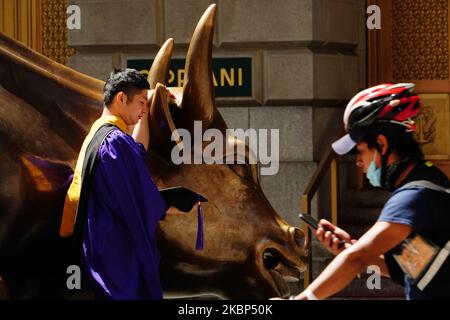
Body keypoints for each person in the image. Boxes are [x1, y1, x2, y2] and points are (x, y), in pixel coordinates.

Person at [288, 83, 450, 300]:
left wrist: (304, 298)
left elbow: (358, 259)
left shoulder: (413, 196)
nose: (358, 163)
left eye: (361, 151)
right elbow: (416, 270)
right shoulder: (428, 183)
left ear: (381, 145)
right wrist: (348, 249)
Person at [59, 68, 194, 299]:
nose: (144, 109)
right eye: (141, 102)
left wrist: (151, 103)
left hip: (98, 243)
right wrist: (170, 206)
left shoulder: (99, 134)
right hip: (115, 252)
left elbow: (137, 153)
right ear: (121, 98)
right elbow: (139, 195)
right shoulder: (115, 141)